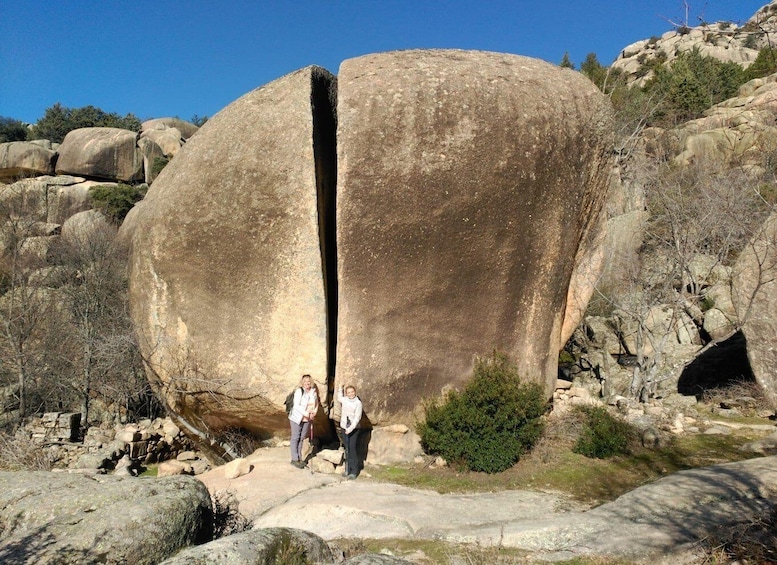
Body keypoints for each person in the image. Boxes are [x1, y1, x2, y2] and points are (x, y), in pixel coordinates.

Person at [288, 374, 318, 468]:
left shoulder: (313, 392)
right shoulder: (299, 391)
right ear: (302, 383)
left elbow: (316, 404)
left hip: (308, 419)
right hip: (297, 418)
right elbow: (296, 406)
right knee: (295, 437)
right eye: (305, 382)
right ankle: (294, 458)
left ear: (311, 382)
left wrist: (314, 413)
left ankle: (299, 458)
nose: (307, 383)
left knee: (301, 438)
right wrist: (306, 413)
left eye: (308, 381)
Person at [337, 384, 363, 479]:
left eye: (352, 392)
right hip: (344, 427)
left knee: (352, 449)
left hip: (354, 429)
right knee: (347, 449)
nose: (351, 394)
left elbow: (357, 418)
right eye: (348, 392)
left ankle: (354, 471)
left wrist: (350, 429)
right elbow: (339, 398)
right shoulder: (344, 400)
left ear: (355, 392)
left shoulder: (358, 403)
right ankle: (347, 469)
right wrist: (340, 388)